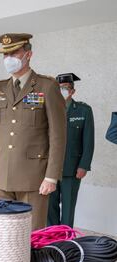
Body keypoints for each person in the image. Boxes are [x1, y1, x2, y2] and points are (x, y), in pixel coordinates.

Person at [0, 33, 67, 230]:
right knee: (4, 231)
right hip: (1, 176)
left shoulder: (46, 86)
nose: (9, 59)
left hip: (33, 176)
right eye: (5, 55)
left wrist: (51, 176)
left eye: (14, 53)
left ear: (28, 55)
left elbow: (58, 135)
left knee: (33, 233)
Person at [48, 73, 95, 227]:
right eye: (59, 88)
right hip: (50, 169)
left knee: (68, 207)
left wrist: (84, 165)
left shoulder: (83, 110)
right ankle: (52, 236)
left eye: (65, 88)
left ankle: (66, 239)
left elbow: (88, 140)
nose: (62, 91)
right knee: (50, 207)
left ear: (72, 91)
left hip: (72, 168)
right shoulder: (47, 109)